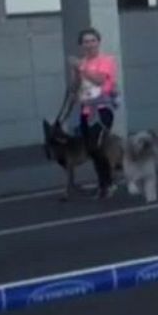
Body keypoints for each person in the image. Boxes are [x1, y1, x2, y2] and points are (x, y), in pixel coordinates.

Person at [66, 27, 120, 199]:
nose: (89, 45)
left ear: (98, 42)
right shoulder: (81, 64)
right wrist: (75, 73)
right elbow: (74, 89)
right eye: (86, 42)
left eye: (92, 41)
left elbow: (100, 80)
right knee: (90, 149)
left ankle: (109, 183)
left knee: (96, 145)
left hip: (102, 109)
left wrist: (81, 68)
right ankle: (104, 183)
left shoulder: (106, 60)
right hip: (85, 110)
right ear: (81, 45)